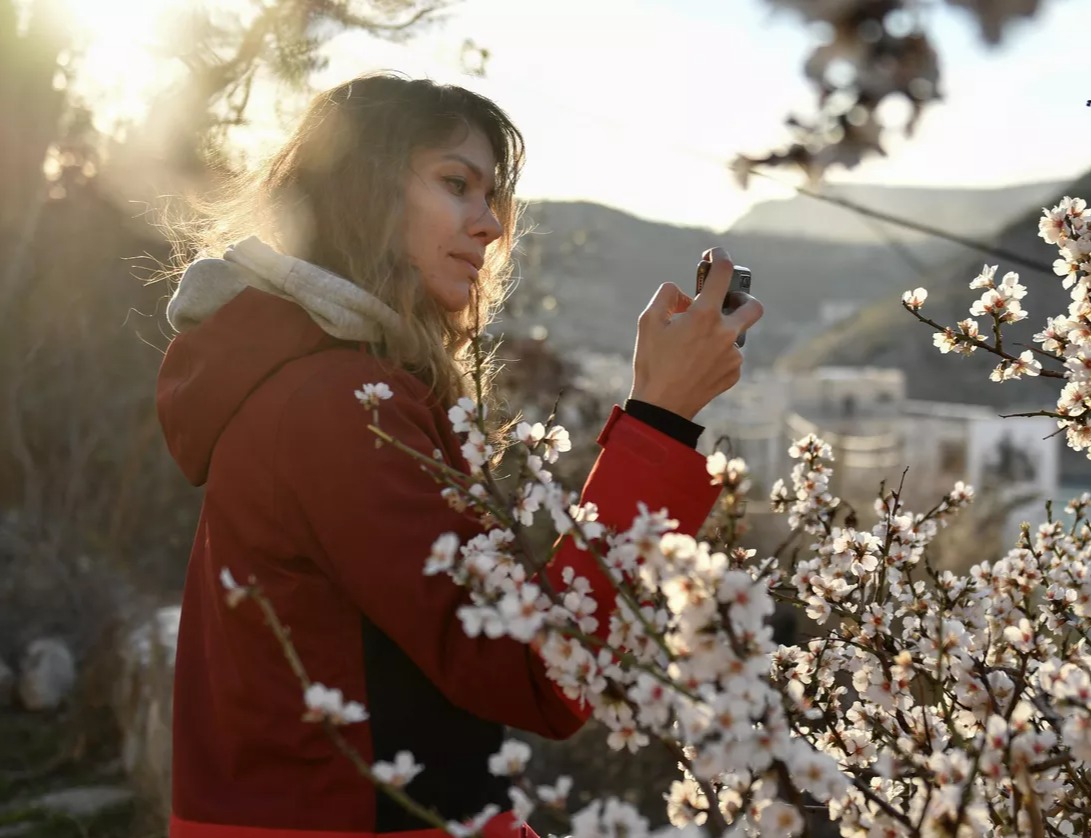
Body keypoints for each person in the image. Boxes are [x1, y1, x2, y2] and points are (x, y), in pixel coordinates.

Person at [156, 72, 763, 838]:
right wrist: (661, 418)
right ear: (361, 189)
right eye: (457, 184)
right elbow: (538, 670)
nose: (491, 226)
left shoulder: (331, 385)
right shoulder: (336, 407)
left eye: (493, 197)